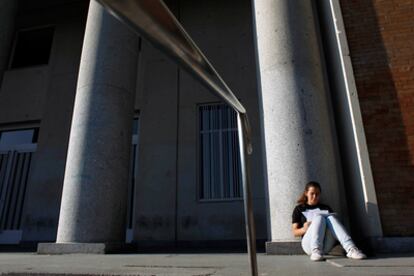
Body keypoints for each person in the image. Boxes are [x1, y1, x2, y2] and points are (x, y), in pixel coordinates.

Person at [292, 181, 366, 261]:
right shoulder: (299, 209)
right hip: (308, 245)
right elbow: (295, 232)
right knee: (319, 217)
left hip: (326, 245)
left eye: (317, 194)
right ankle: (316, 250)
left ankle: (351, 248)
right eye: (312, 193)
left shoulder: (325, 208)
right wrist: (304, 229)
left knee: (331, 217)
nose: (315, 196)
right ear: (306, 193)